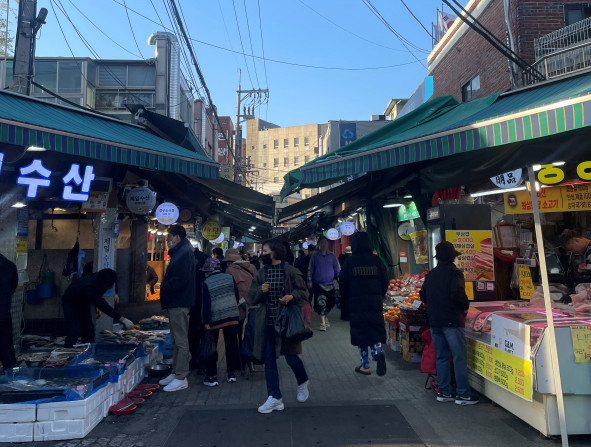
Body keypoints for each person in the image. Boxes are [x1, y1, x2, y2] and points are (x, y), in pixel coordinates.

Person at [248, 241, 310, 414]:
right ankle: (275, 397)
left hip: (287, 324)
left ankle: (302, 381)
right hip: (268, 324)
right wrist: (261, 290)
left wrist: (292, 296)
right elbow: (252, 297)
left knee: (291, 357)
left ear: (275, 252)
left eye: (265, 251)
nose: (262, 253)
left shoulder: (290, 271)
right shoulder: (261, 273)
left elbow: (304, 292)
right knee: (269, 360)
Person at [420, 241, 479, 405]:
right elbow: (458, 294)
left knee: (441, 357)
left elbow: (423, 296)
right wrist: (465, 306)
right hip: (453, 321)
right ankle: (463, 394)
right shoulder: (455, 273)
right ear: (453, 257)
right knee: (459, 357)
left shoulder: (431, 274)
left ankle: (444, 392)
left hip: (435, 322)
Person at [339, 232, 388, 376]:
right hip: (374, 303)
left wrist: (348, 298)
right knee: (374, 329)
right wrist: (379, 295)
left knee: (361, 332)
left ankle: (365, 365)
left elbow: (343, 284)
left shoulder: (350, 262)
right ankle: (378, 352)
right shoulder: (376, 261)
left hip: (356, 304)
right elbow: (385, 281)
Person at [158, 225, 196, 392]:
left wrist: (166, 287)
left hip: (179, 302)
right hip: (175, 302)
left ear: (177, 237)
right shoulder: (181, 252)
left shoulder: (184, 253)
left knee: (181, 340)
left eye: (170, 237)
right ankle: (175, 372)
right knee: (176, 339)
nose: (168, 240)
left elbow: (180, 279)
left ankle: (181, 376)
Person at [62, 268, 134, 348]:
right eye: (106, 287)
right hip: (71, 301)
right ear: (102, 284)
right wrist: (122, 319)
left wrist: (116, 292)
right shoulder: (91, 286)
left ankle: (88, 350)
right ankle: (66, 352)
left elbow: (115, 283)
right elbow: (102, 305)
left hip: (84, 301)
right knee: (74, 330)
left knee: (88, 329)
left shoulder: (106, 276)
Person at [201, 257, 241, 386]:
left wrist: (206, 321)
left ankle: (212, 377)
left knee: (212, 347)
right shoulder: (229, 277)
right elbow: (235, 295)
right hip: (232, 315)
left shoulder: (207, 282)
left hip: (215, 317)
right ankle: (231, 374)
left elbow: (206, 304)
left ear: (209, 270)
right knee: (231, 345)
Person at [224, 248, 257, 373]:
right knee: (248, 334)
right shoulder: (252, 267)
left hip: (237, 309)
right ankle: (248, 358)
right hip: (253, 307)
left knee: (235, 336)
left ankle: (237, 363)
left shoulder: (229, 270)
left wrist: (241, 301)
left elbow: (230, 290)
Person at [308, 236, 340, 331]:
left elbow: (337, 269)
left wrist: (340, 278)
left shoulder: (332, 256)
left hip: (330, 284)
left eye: (325, 243)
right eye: (322, 243)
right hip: (318, 284)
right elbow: (310, 269)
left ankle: (325, 317)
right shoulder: (315, 256)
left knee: (330, 303)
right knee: (321, 302)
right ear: (319, 245)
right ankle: (322, 323)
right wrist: (309, 280)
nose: (324, 245)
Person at [189, 244, 210, 370]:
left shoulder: (188, 258)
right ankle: (203, 361)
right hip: (202, 303)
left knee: (192, 332)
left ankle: (196, 359)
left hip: (192, 302)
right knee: (203, 332)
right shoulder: (205, 258)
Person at [0, 252, 18, 371]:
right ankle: (13, 380)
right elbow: (13, 287)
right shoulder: (10, 265)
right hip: (3, 314)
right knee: (6, 349)